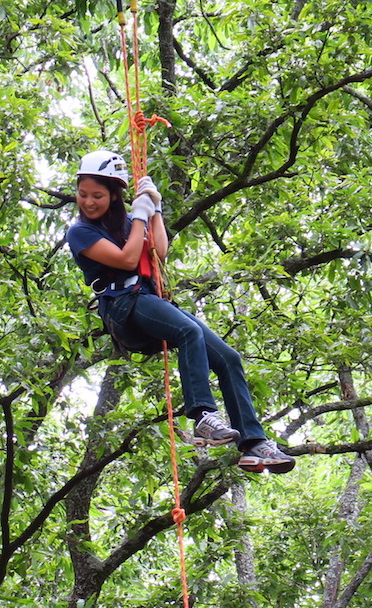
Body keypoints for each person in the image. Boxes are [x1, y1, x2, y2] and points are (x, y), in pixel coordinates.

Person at [62, 149, 294, 473]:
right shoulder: (80, 232)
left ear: (115, 195)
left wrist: (154, 209)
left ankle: (254, 444)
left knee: (228, 358)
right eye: (83, 194)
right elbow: (128, 260)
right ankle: (202, 416)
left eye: (97, 195)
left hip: (147, 298)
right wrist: (141, 215)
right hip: (123, 307)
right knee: (190, 332)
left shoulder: (130, 221)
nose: (88, 201)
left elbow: (159, 251)